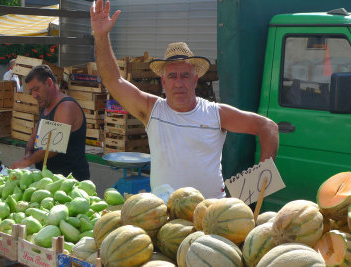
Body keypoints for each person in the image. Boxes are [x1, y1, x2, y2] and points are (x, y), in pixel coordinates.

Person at [90, 0, 279, 198]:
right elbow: (113, 80)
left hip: (211, 214)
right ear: (163, 82)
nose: (178, 83)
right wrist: (101, 36)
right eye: (172, 76)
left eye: (185, 76)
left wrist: (257, 186)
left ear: (195, 80)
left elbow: (268, 127)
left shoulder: (215, 113)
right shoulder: (152, 110)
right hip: (165, 215)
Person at [10, 65, 90, 181]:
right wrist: (27, 155)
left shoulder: (66, 106)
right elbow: (33, 138)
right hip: (49, 179)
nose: (34, 95)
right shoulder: (45, 107)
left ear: (49, 82)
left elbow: (54, 147)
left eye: (36, 89)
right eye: (31, 91)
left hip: (71, 181)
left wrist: (27, 161)